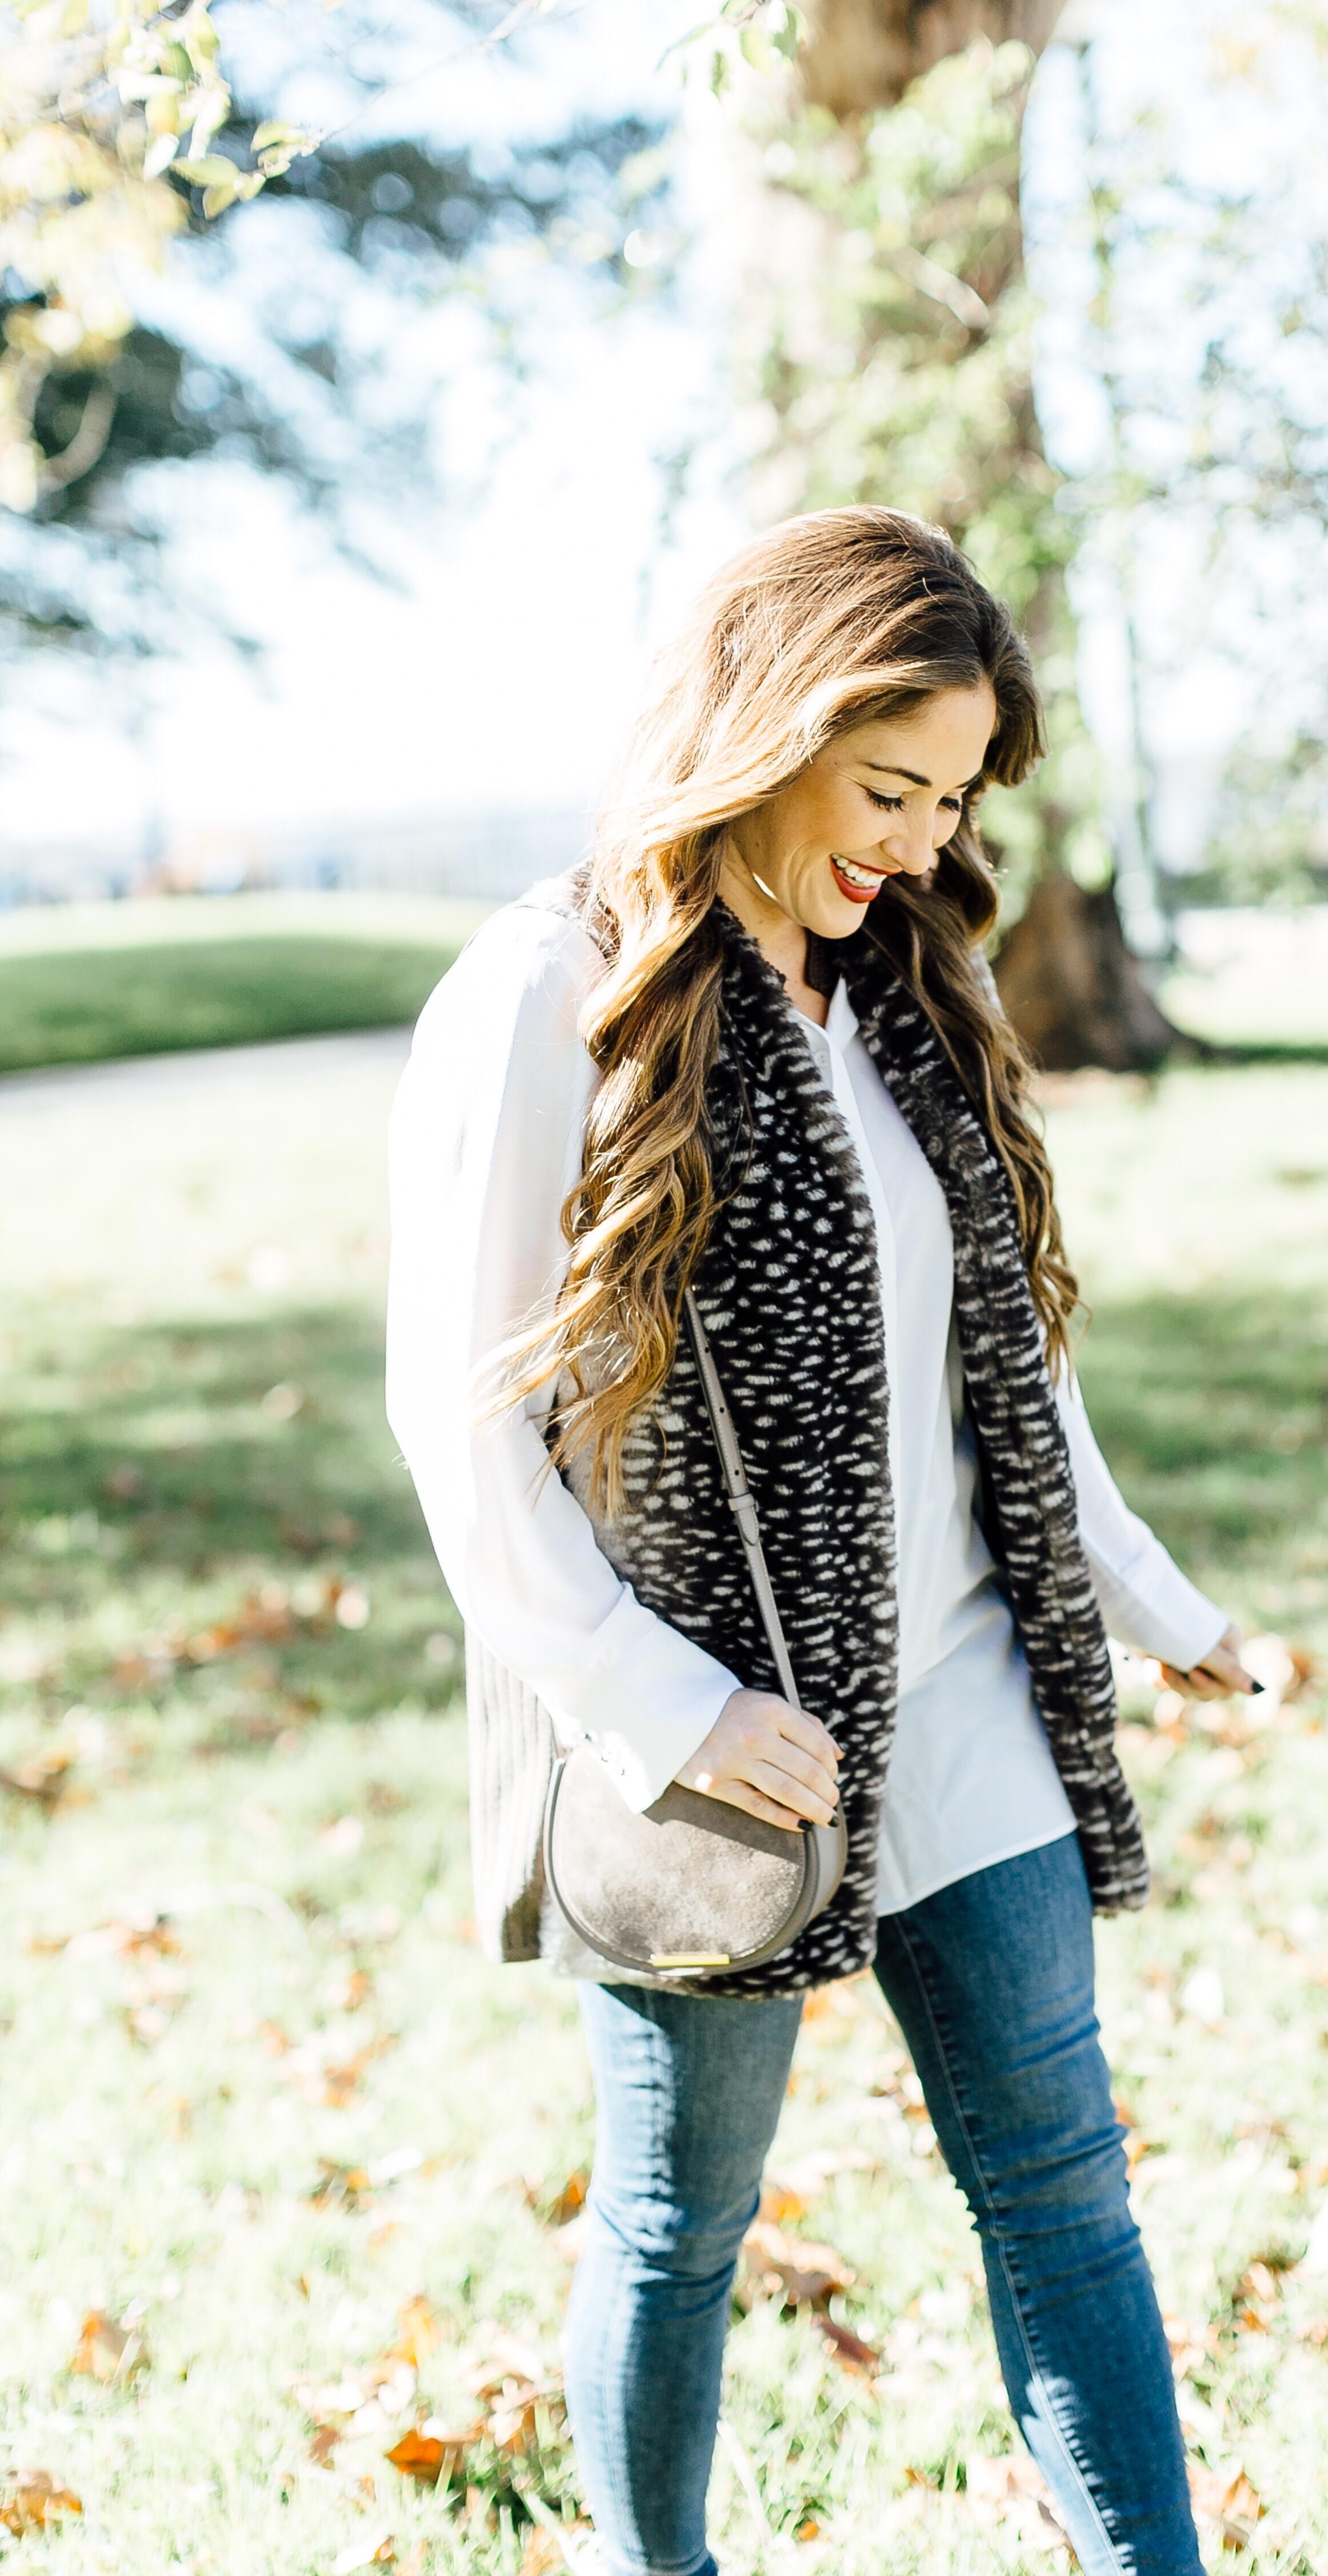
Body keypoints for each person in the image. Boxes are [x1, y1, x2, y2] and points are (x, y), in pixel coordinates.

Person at [385, 506, 1254, 2576]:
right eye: (888, 789)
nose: (917, 840)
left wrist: (1155, 1607)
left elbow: (1002, 1369)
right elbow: (463, 1416)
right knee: (684, 2224)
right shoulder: (547, 990)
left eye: (951, 797)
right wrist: (668, 1713)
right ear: (765, 724)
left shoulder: (903, 985)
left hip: (968, 1689)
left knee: (1065, 2187)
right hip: (716, 1724)